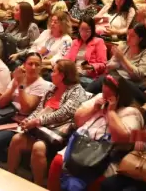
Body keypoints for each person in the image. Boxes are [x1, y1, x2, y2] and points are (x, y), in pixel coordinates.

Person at [51, 72, 144, 191]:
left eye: (108, 95)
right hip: (81, 144)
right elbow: (78, 120)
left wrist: (111, 112)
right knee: (58, 161)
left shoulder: (131, 112)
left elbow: (124, 137)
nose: (105, 97)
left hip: (104, 155)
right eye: (104, 92)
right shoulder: (99, 98)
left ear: (119, 96)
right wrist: (94, 108)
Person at [6, 59, 91, 187]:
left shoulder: (77, 92)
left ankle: (37, 186)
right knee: (17, 138)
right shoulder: (52, 88)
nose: (51, 74)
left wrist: (37, 121)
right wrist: (28, 120)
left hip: (57, 133)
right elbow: (40, 109)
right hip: (40, 128)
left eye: (54, 71)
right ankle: (9, 177)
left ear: (62, 75)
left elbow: (63, 114)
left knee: (38, 147)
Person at [0, 52, 53, 164]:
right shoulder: (17, 79)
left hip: (20, 123)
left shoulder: (43, 85)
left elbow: (27, 108)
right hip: (4, 117)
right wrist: (14, 85)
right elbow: (1, 103)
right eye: (30, 64)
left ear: (41, 67)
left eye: (37, 64)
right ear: (24, 65)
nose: (33, 67)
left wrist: (21, 85)